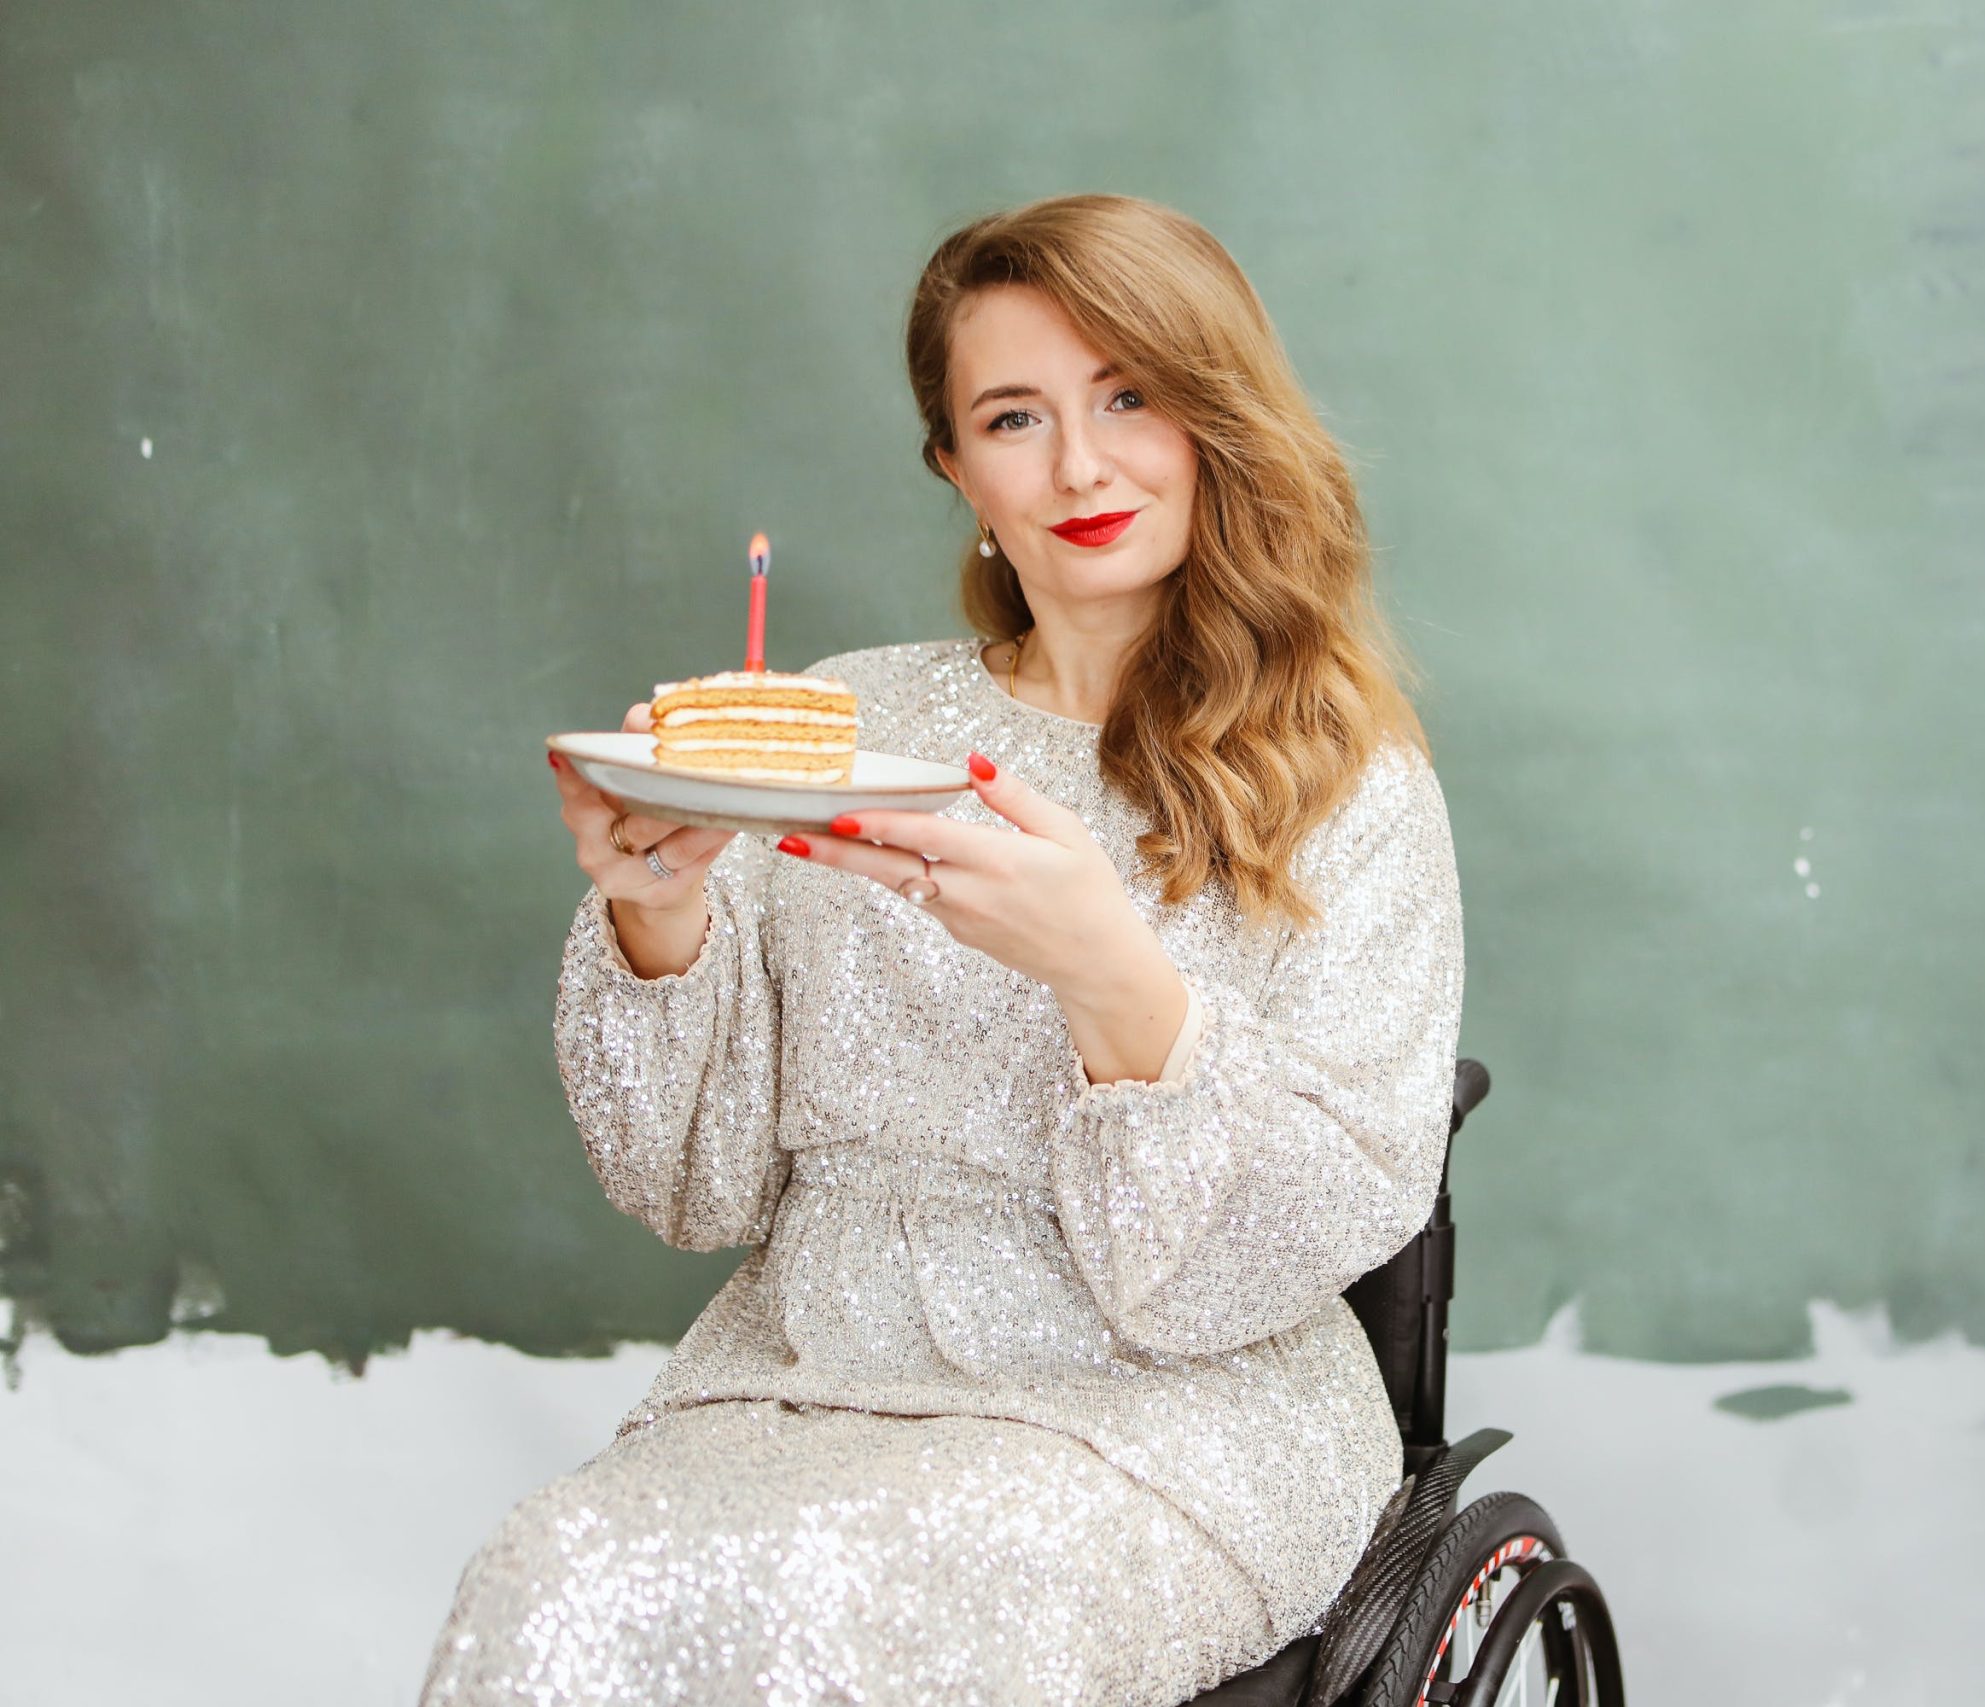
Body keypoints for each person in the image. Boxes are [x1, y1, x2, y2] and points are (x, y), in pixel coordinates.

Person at [418, 192, 1464, 1706]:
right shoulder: (850, 726)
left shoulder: (1348, 783)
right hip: (805, 1377)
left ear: (1213, 421)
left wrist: (1108, 970)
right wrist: (658, 911)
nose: (1082, 464)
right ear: (958, 469)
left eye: (1129, 398)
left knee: (873, 1624)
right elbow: (688, 1190)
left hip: (1158, 1416)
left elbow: (1287, 1238)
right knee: (548, 1590)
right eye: (1015, 417)